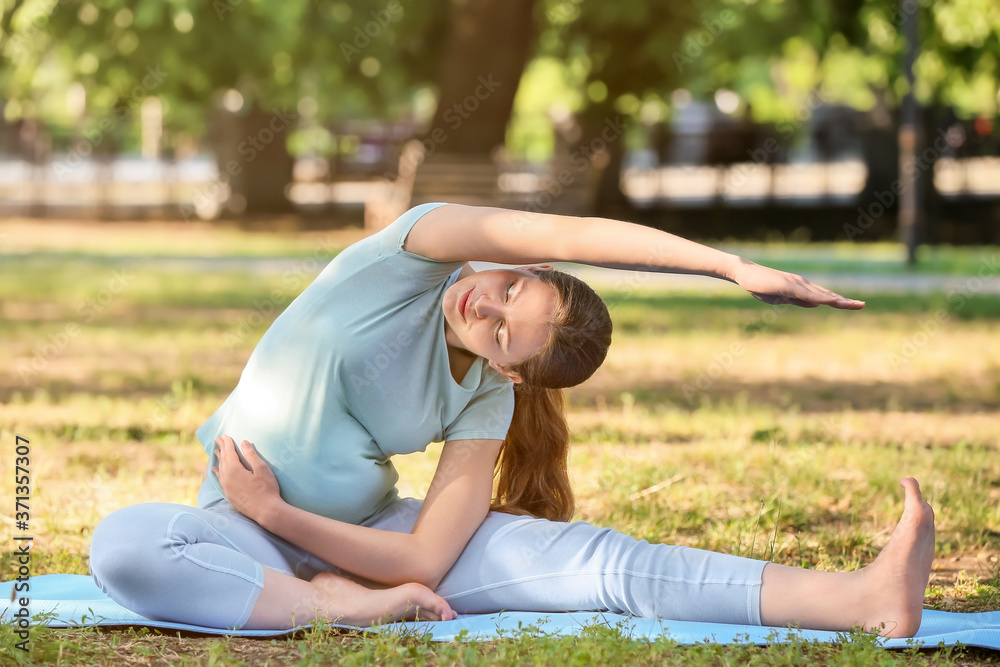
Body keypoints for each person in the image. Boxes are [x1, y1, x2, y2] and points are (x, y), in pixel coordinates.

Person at [89, 202, 934, 638]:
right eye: (510, 290)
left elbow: (423, 557)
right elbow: (577, 228)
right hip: (242, 538)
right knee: (126, 546)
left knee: (605, 565)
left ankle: (860, 598)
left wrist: (281, 509)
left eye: (503, 333)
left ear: (508, 369)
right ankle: (327, 606)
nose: (482, 306)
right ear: (527, 267)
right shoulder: (412, 257)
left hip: (357, 538)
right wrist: (728, 264)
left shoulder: (487, 395)